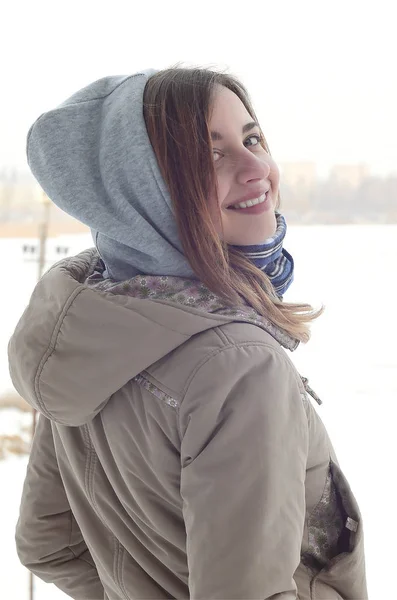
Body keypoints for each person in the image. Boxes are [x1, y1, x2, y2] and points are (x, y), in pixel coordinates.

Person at [8, 67, 367, 600]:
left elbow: (47, 543)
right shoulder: (240, 366)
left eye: (251, 138)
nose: (257, 168)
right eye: (210, 156)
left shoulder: (92, 329)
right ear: (144, 195)